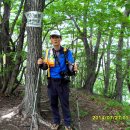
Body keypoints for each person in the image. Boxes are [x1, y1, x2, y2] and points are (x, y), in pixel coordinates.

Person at [37, 30, 78, 130]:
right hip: (51, 81)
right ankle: (56, 122)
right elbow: (45, 67)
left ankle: (67, 123)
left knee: (64, 103)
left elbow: (71, 66)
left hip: (63, 82)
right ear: (50, 39)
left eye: (57, 37)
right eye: (53, 37)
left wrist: (74, 68)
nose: (55, 39)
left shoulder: (66, 52)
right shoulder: (48, 52)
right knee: (53, 103)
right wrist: (40, 64)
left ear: (60, 39)